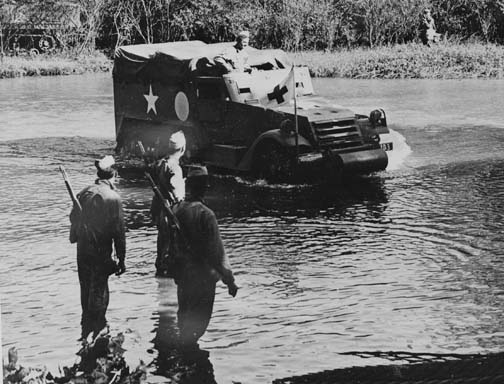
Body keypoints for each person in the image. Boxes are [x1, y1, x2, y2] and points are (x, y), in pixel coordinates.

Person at [171, 165, 238, 347]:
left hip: (183, 275)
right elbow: (218, 253)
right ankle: (189, 360)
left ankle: (183, 359)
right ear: (204, 187)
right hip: (202, 279)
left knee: (184, 317)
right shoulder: (206, 215)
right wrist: (229, 281)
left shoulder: (175, 210)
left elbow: (168, 246)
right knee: (198, 325)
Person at [70, 155, 126, 341]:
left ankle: (86, 333)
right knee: (100, 294)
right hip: (101, 254)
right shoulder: (113, 198)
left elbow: (73, 219)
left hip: (83, 251)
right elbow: (119, 233)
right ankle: (98, 334)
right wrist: (122, 260)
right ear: (114, 174)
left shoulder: (84, 192)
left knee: (85, 292)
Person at [150, 130, 186, 276]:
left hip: (160, 211)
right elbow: (177, 195)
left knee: (162, 245)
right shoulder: (175, 168)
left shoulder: (160, 164)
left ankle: (161, 277)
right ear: (182, 149)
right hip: (171, 212)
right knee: (172, 248)